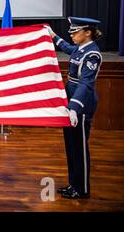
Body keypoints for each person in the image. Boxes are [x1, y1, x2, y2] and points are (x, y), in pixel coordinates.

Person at [46, 17, 103, 199]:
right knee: (71, 147)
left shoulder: (92, 55)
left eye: (75, 32)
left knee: (79, 148)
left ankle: (82, 188)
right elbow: (67, 48)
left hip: (81, 104)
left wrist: (74, 108)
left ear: (88, 33)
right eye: (71, 32)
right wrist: (53, 35)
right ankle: (73, 184)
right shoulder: (80, 49)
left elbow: (86, 84)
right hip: (70, 101)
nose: (72, 35)